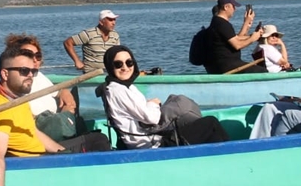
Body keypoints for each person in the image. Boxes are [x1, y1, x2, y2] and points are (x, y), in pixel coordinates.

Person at [0, 46, 111, 186]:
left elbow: (34, 133)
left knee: (92, 138)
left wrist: (62, 152)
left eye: (33, 71)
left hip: (45, 154)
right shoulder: (1, 109)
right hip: (35, 163)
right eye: (24, 71)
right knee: (97, 141)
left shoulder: (16, 99)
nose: (30, 76)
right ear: (5, 74)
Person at [97, 45, 229, 149]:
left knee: (196, 123)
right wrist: (153, 103)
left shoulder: (123, 87)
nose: (125, 67)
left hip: (153, 137)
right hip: (151, 145)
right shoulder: (118, 90)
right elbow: (152, 118)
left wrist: (148, 105)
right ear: (110, 66)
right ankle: (230, 156)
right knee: (210, 124)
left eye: (129, 62)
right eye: (118, 64)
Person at [6, 33, 80, 141]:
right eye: (28, 55)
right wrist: (65, 116)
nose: (35, 59)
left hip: (58, 129)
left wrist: (64, 92)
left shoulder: (38, 76)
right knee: (98, 141)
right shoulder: (15, 84)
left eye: (38, 56)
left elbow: (57, 92)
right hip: (42, 137)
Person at [204, 0, 265, 74]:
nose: (235, 9)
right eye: (233, 6)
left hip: (223, 64)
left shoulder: (218, 22)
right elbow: (237, 45)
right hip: (227, 65)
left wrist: (247, 24)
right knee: (263, 71)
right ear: (226, 7)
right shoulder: (222, 24)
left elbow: (236, 38)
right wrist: (253, 38)